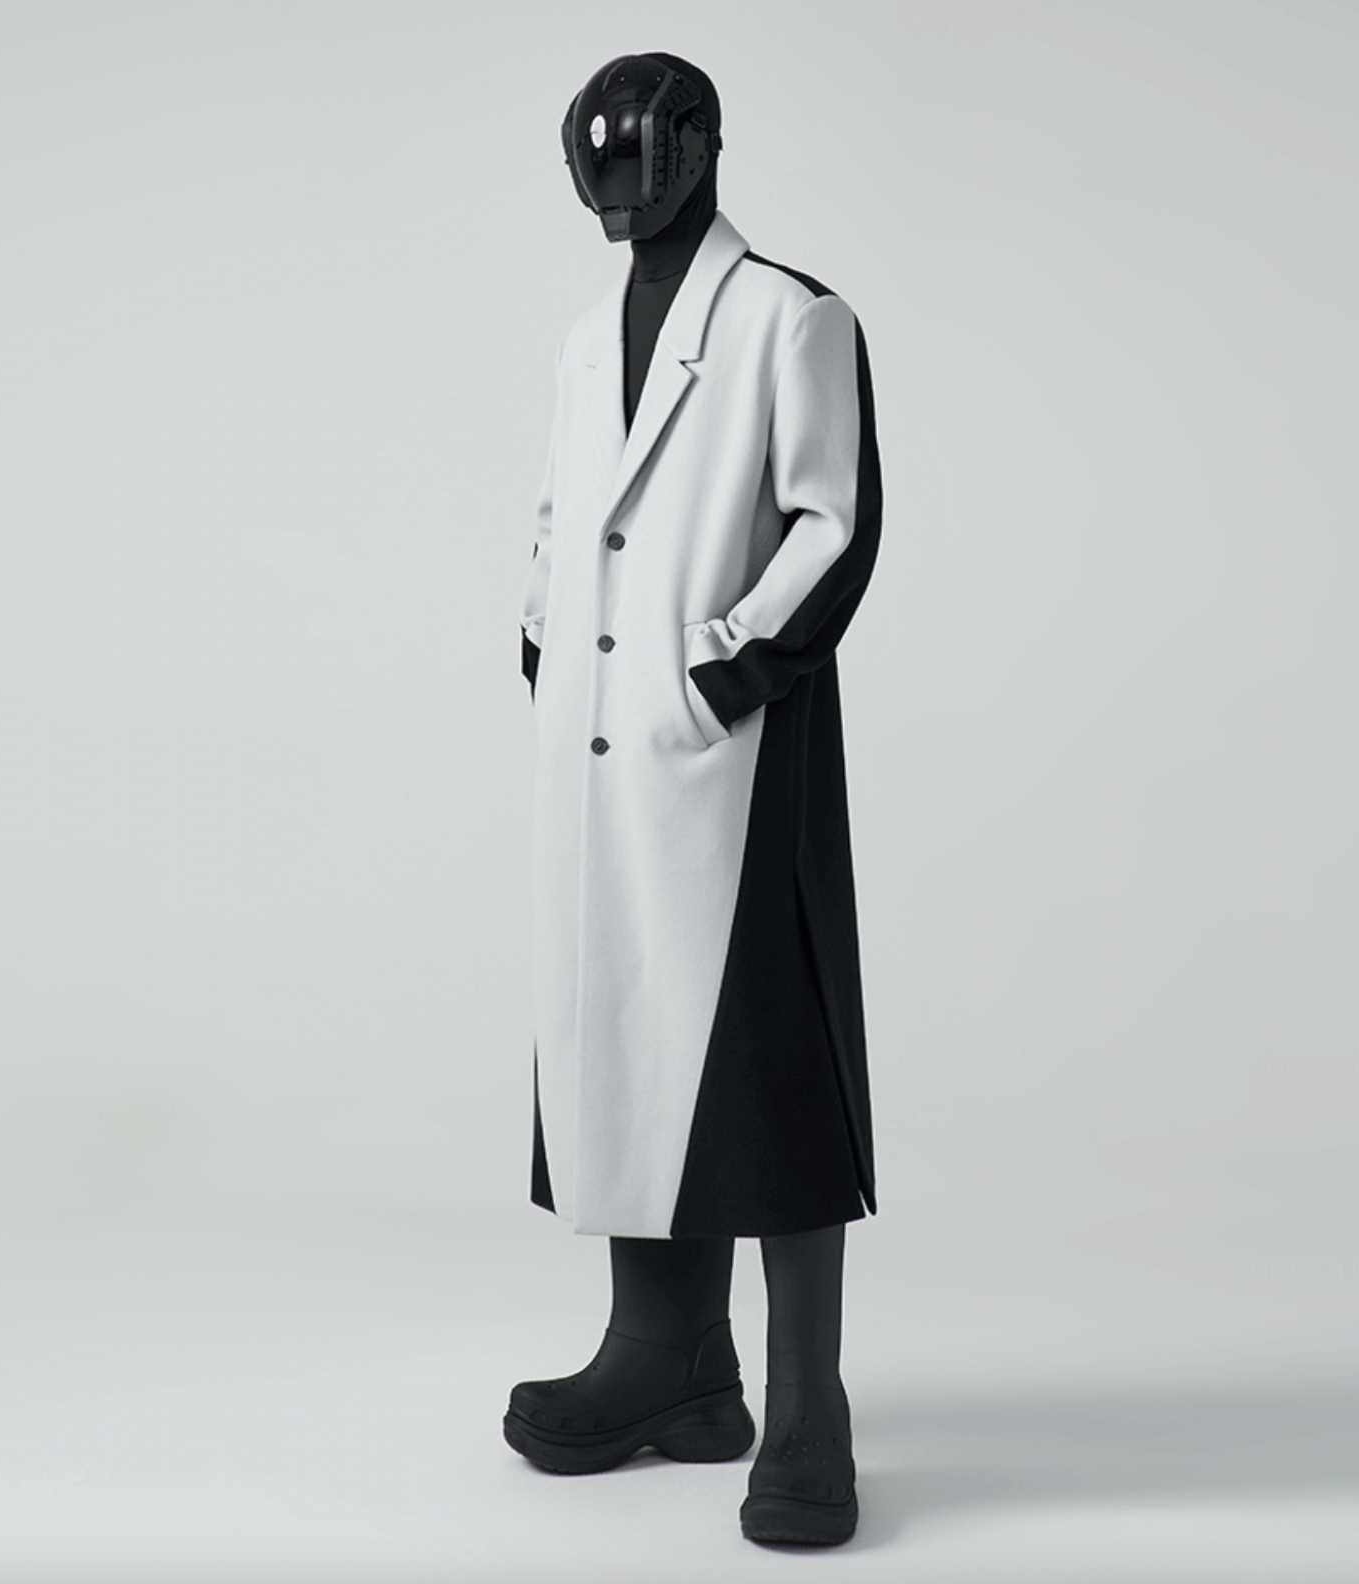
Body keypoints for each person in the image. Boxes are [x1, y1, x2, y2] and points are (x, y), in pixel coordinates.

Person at [508, 51, 883, 1547]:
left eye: (640, 153)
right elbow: (565, 512)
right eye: (595, 157)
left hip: (733, 745)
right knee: (615, 1032)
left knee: (765, 1057)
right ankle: (668, 1360)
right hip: (596, 745)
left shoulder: (795, 316)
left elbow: (833, 521)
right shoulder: (584, 333)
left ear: (701, 149)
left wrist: (722, 668)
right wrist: (542, 642)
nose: (619, 182)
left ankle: (805, 1409)